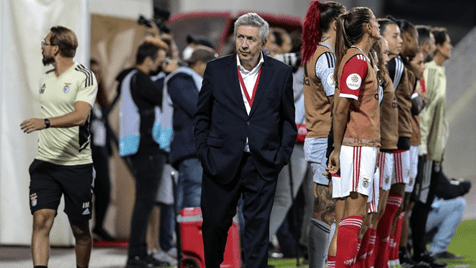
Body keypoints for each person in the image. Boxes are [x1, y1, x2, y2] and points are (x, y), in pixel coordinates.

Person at [193, 13, 296, 268]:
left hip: (262, 163)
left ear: (262, 42)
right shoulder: (216, 69)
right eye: (240, 37)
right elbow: (202, 116)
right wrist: (205, 153)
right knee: (215, 226)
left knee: (258, 233)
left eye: (250, 39)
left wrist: (280, 156)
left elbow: (287, 121)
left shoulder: (281, 73)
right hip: (220, 161)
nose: (244, 44)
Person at [20, 26, 98, 268]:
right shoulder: (45, 78)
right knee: (41, 220)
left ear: (55, 48)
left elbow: (79, 116)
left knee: (80, 229)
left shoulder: (84, 76)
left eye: (45, 43)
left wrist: (44, 123)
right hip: (45, 162)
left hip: (76, 165)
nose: (41, 47)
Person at [326, 7, 381, 267]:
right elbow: (340, 108)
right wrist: (337, 149)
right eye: (375, 22)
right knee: (354, 214)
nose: (378, 25)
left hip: (361, 145)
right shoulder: (356, 61)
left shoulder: (361, 58)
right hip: (357, 144)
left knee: (354, 216)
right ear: (368, 28)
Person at [118, 39, 171, 268]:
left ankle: (140, 251)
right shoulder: (139, 78)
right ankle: (136, 255)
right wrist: (172, 75)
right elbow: (165, 98)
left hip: (141, 147)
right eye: (160, 61)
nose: (162, 65)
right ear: (148, 60)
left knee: (146, 202)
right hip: (146, 147)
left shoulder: (132, 77)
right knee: (145, 202)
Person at [300, 1, 346, 267]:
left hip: (319, 138)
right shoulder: (326, 56)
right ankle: (318, 265)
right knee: (325, 209)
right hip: (324, 140)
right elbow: (336, 101)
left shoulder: (315, 52)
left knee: (327, 208)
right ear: (335, 23)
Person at [411, 27, 453, 267]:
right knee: (421, 200)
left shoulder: (438, 71)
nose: (451, 46)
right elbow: (425, 117)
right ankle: (417, 251)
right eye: (447, 42)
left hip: (432, 149)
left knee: (422, 200)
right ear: (435, 45)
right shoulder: (431, 72)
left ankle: (416, 250)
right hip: (426, 149)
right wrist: (427, 150)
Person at [167, 48, 217, 210]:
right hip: (191, 148)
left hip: (198, 149)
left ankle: (188, 235)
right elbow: (199, 109)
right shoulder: (181, 79)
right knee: (194, 198)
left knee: (191, 197)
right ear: (201, 65)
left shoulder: (195, 81)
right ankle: (192, 236)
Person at [89, 59, 115, 242]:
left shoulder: (101, 100)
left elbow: (106, 126)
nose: (95, 76)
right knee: (83, 190)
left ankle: (99, 226)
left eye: (97, 72)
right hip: (85, 151)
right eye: (91, 72)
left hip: (101, 150)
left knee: (104, 189)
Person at [425, 174, 471, 259]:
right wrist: (464, 185)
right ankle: (437, 249)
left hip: (406, 221)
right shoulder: (429, 164)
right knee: (459, 203)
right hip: (414, 223)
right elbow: (447, 191)